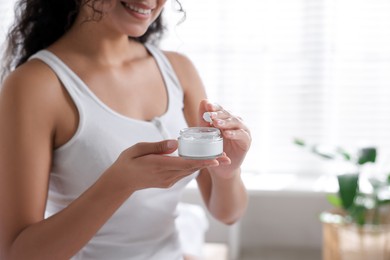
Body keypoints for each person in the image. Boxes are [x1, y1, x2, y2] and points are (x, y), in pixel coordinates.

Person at [0, 0, 251, 259]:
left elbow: (229, 214)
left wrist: (227, 173)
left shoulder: (178, 70)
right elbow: (17, 253)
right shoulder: (34, 86)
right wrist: (119, 183)